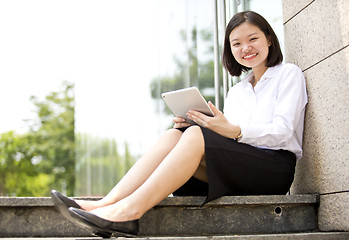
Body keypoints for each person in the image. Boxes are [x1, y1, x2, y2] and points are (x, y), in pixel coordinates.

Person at [51, 10, 307, 238]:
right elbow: (231, 145)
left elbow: (282, 133)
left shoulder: (288, 74)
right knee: (176, 135)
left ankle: (129, 211)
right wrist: (203, 126)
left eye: (253, 39)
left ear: (269, 39)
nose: (245, 48)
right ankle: (106, 203)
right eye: (236, 43)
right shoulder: (236, 92)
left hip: (274, 170)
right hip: (241, 169)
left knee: (195, 135)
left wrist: (232, 130)